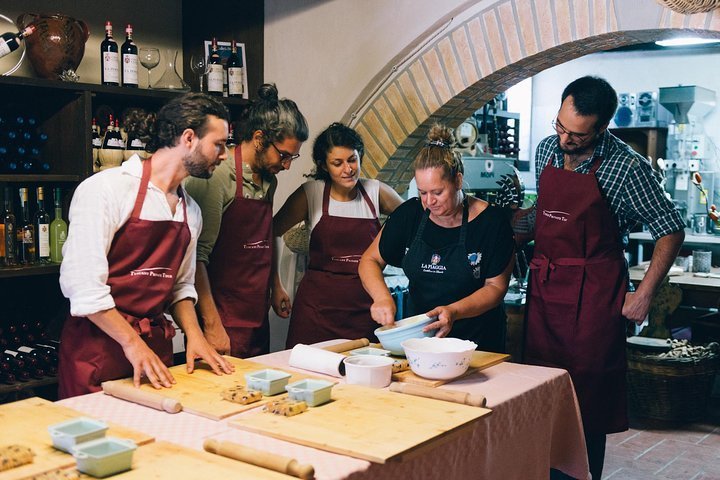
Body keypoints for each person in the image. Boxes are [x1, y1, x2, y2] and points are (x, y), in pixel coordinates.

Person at [519, 76, 685, 479]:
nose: (563, 139)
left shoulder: (628, 167)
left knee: (587, 401)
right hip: (546, 292)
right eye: (559, 126)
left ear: (601, 127)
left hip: (594, 297)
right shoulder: (545, 151)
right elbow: (543, 216)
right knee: (540, 390)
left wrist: (643, 294)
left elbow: (671, 228)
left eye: (576, 135)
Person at [58, 93, 235, 398]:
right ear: (189, 138)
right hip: (98, 350)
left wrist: (195, 335)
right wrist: (132, 343)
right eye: (219, 145)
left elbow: (180, 286)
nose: (225, 155)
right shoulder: (106, 189)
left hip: (154, 352)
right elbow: (83, 286)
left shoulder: (189, 211)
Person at [358, 124, 514, 352]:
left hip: (478, 346)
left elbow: (495, 287)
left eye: (438, 192)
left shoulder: (492, 223)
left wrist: (454, 311)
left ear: (458, 181)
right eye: (422, 192)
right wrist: (381, 297)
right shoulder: (410, 215)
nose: (429, 201)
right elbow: (369, 260)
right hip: (420, 345)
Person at [184, 83, 308, 358]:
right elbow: (196, 257)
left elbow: (264, 238)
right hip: (221, 316)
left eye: (292, 157)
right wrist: (212, 325)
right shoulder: (217, 177)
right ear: (259, 138)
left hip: (255, 314)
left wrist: (275, 285)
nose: (287, 165)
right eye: (284, 155)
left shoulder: (269, 181)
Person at [272, 123, 404, 348]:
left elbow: (415, 221)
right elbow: (269, 233)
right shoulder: (311, 193)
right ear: (324, 165)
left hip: (365, 311)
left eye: (352, 159)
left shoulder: (375, 192)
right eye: (337, 163)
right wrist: (276, 285)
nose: (348, 169)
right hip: (316, 313)